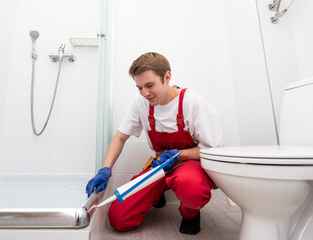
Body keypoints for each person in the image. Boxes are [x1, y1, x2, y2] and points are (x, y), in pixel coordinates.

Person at [86, 52, 223, 235]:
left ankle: (190, 214)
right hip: (160, 165)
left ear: (167, 77)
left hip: (190, 164)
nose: (145, 94)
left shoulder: (193, 102)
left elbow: (213, 150)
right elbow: (120, 137)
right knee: (118, 218)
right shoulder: (142, 102)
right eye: (139, 88)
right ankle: (157, 194)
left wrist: (179, 155)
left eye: (149, 85)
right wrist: (105, 169)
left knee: (192, 189)